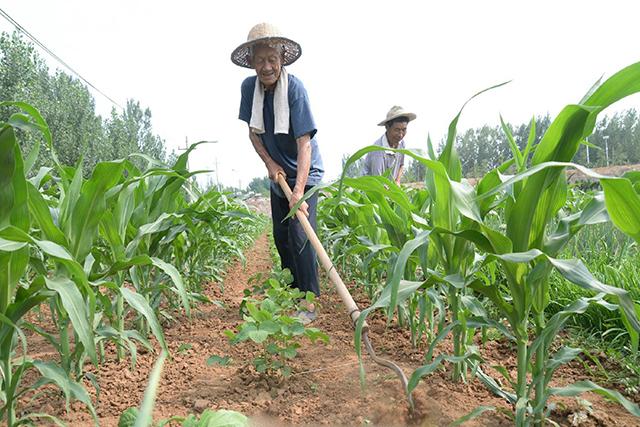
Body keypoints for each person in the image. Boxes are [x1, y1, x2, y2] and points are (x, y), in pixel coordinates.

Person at [232, 23, 324, 323]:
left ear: (281, 59)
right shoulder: (250, 89)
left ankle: (310, 303)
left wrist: (299, 191)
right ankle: (295, 293)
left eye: (272, 59)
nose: (267, 66)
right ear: (252, 62)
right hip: (278, 173)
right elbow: (253, 134)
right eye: (260, 60)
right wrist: (270, 165)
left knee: (300, 236)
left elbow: (304, 143)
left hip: (305, 172)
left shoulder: (295, 89)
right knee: (281, 237)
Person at [364, 106, 416, 184]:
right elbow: (378, 182)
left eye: (404, 130)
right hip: (372, 189)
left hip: (388, 187)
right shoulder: (378, 151)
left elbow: (401, 165)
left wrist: (397, 180)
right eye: (397, 130)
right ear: (387, 127)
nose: (401, 135)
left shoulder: (401, 143)